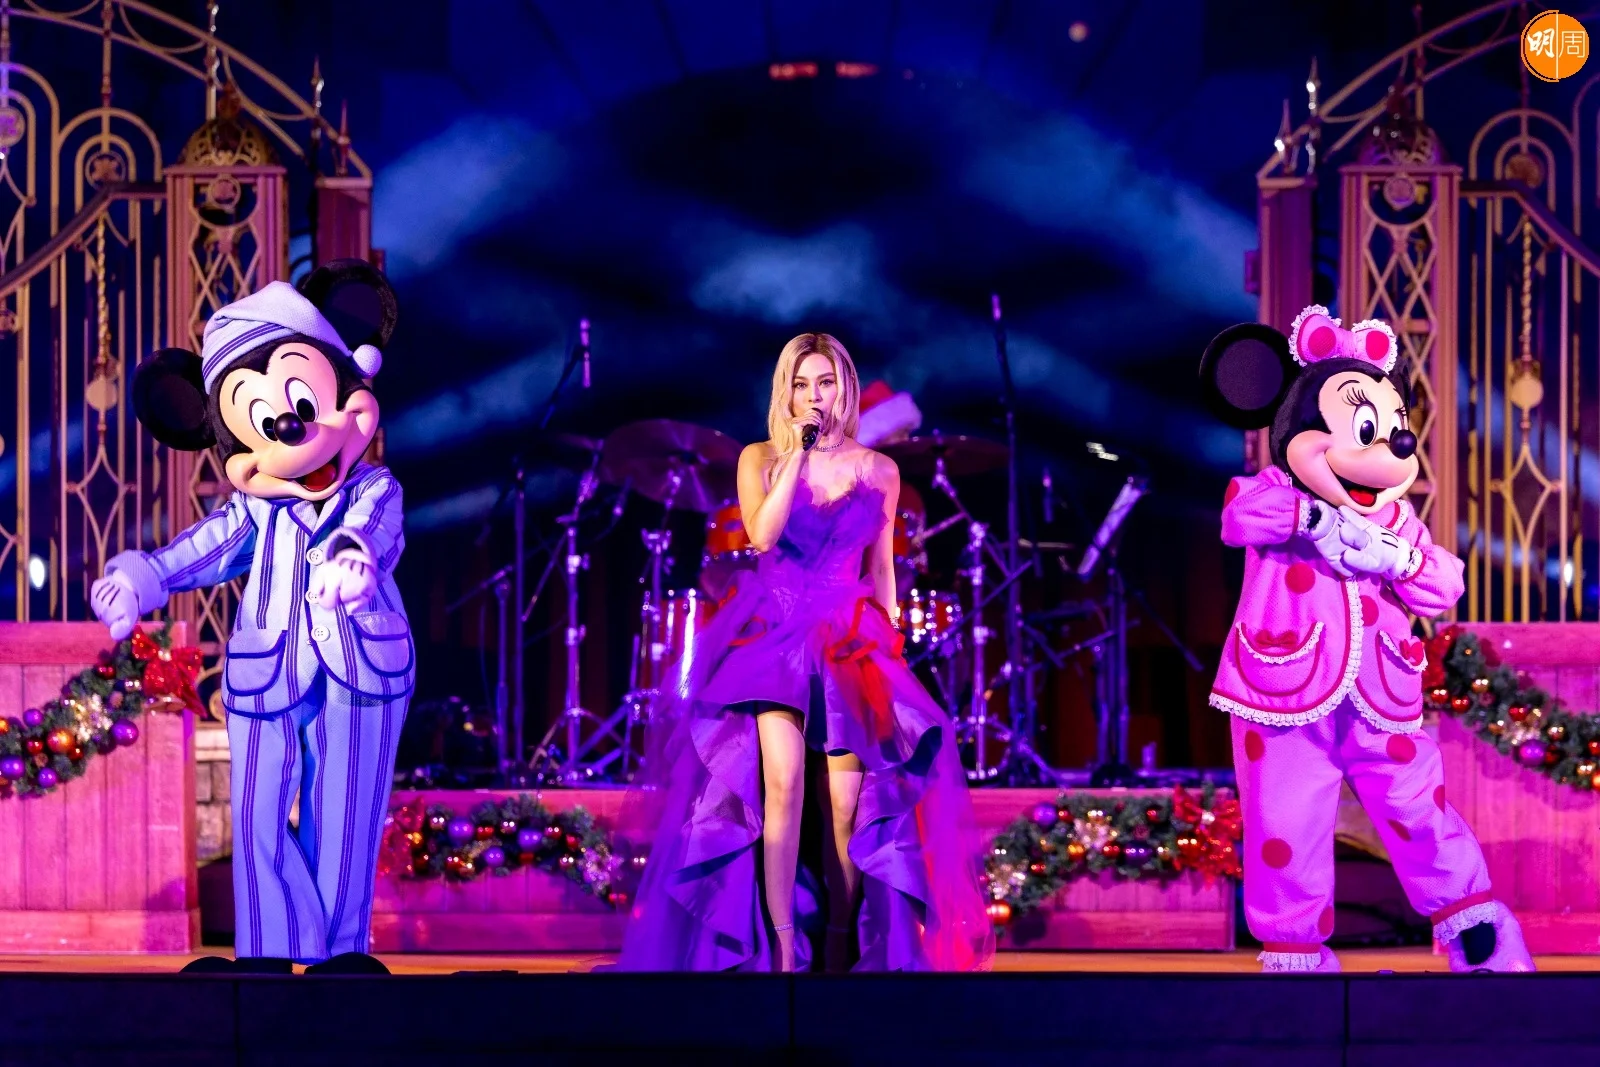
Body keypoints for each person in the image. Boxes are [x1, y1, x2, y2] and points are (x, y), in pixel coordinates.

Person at [617, 333, 994, 973]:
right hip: (775, 632)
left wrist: (891, 649)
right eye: (800, 384)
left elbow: (882, 570)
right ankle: (785, 945)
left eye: (824, 382)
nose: (814, 395)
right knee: (783, 784)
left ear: (844, 387)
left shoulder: (880, 470)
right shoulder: (760, 457)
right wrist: (795, 455)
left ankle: (841, 942)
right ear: (785, 392)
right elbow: (762, 536)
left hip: (849, 637)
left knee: (845, 809)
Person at [90, 262, 413, 975]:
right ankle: (269, 948)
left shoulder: (374, 487)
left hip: (363, 668)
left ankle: (338, 956)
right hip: (268, 670)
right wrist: (143, 577)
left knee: (346, 814)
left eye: (306, 403)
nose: (294, 435)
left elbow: (373, 532)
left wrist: (352, 559)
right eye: (265, 425)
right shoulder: (255, 508)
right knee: (259, 810)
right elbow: (204, 547)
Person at [1199, 305, 1533, 973]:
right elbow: (1241, 518)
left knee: (1417, 807)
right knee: (1285, 821)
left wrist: (1398, 558)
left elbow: (1444, 584)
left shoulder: (1397, 519)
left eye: (1394, 428)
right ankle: (1295, 953)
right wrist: (1314, 519)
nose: (1391, 447)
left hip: (1382, 692)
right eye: (1365, 428)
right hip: (1282, 691)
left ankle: (1474, 927)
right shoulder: (1272, 491)